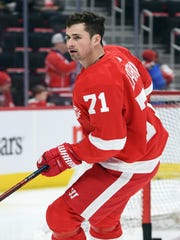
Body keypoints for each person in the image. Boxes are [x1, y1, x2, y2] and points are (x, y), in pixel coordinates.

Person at [37, 11, 169, 240]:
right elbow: (146, 86)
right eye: (68, 37)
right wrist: (133, 116)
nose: (70, 43)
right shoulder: (119, 52)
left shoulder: (96, 81)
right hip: (146, 148)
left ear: (96, 39)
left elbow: (110, 141)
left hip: (129, 163)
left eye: (77, 37)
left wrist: (67, 155)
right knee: (103, 220)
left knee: (60, 216)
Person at [45, 32, 77, 105]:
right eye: (66, 42)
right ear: (58, 43)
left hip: (63, 92)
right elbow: (64, 69)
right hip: (58, 93)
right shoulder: (53, 56)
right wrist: (79, 60)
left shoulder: (59, 56)